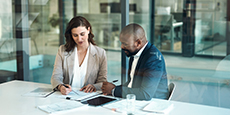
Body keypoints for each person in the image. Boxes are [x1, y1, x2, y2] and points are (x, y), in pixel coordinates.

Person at [101, 23, 168, 100]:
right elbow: (131, 83)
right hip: (139, 101)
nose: (121, 46)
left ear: (138, 43)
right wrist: (112, 89)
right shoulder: (135, 53)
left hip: (153, 104)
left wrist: (114, 90)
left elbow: (145, 94)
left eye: (125, 44)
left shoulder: (153, 59)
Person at [51, 16, 107, 95]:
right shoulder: (62, 50)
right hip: (67, 96)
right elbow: (56, 76)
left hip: (88, 97)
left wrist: (94, 86)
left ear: (88, 30)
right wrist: (61, 87)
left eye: (82, 34)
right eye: (75, 35)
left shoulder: (100, 53)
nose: (79, 39)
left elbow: (103, 82)